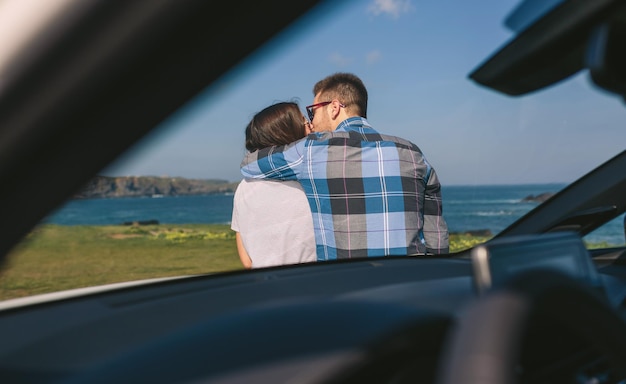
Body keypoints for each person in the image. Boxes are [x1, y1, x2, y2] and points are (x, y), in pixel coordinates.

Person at [241, 73, 449, 260]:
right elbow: (436, 240)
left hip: (345, 286)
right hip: (411, 284)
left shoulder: (311, 150)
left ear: (334, 108)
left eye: (312, 112)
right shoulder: (412, 152)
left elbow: (249, 164)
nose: (311, 122)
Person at [231, 101, 317, 268]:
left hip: (265, 285)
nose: (312, 126)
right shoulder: (311, 181)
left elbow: (247, 258)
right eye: (305, 123)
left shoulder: (245, 185)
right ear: (287, 133)